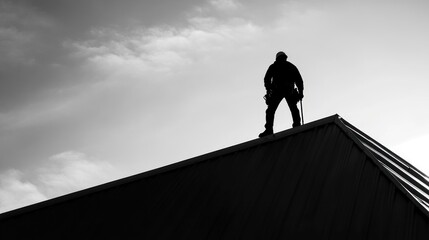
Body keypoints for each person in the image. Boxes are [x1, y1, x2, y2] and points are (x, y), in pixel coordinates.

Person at [259, 51, 304, 138]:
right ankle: (297, 125)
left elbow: (267, 79)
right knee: (292, 108)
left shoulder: (274, 66)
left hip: (280, 90)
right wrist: (301, 92)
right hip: (284, 90)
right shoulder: (289, 66)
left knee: (272, 110)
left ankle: (269, 129)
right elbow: (299, 80)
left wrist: (268, 89)